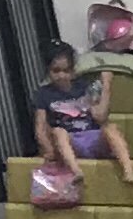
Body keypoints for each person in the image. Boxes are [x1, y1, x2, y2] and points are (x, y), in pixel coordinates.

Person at [31, 44, 115, 198]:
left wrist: (106, 85)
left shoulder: (84, 87)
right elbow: (40, 128)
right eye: (56, 71)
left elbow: (100, 116)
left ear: (73, 70)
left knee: (111, 129)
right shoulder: (44, 94)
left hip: (90, 139)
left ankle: (127, 169)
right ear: (48, 70)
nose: (62, 76)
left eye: (66, 70)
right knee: (59, 132)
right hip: (67, 144)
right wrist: (49, 151)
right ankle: (76, 170)